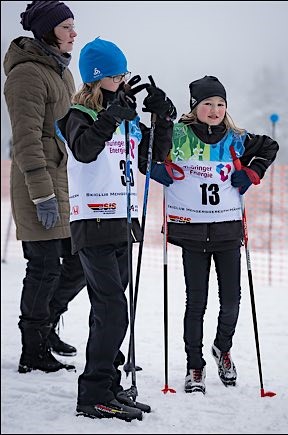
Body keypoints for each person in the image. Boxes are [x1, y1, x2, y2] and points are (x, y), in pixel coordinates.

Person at [57, 37, 176, 421]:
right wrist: (113, 117)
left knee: (108, 310)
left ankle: (107, 386)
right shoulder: (77, 115)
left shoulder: (125, 117)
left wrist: (163, 118)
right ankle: (92, 394)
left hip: (123, 223)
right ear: (97, 78)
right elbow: (85, 149)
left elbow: (151, 159)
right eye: (115, 75)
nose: (123, 80)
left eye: (124, 73)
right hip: (92, 222)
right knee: (113, 310)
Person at [165, 75, 279, 394]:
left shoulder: (236, 138)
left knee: (231, 301)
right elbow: (152, 147)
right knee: (196, 303)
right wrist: (159, 164)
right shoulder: (178, 134)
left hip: (228, 232)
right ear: (194, 107)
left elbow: (269, 146)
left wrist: (252, 172)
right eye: (207, 104)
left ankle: (222, 348)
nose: (215, 110)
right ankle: (194, 365)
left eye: (220, 104)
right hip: (192, 231)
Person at [3, 1, 86, 374]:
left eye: (73, 26)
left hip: (66, 183)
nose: (73, 33)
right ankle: (32, 350)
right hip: (39, 184)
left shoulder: (62, 74)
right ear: (49, 31)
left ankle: (47, 325)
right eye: (67, 26)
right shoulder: (27, 75)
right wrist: (41, 192)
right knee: (44, 268)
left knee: (80, 263)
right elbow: (26, 139)